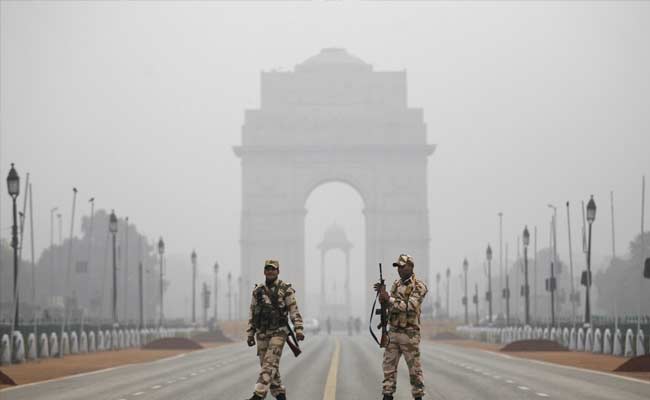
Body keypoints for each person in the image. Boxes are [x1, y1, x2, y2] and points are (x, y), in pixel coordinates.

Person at [245, 260, 304, 400]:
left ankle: (258, 395)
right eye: (268, 269)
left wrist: (299, 329)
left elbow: (294, 311)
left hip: (279, 332)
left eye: (273, 269)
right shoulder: (257, 291)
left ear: (278, 271)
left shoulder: (286, 289)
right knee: (270, 368)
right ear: (264, 271)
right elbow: (252, 313)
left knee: (269, 363)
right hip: (262, 333)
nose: (270, 271)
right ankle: (280, 395)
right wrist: (250, 334)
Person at [374, 254, 428, 400]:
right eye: (398, 267)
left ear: (411, 266)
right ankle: (387, 395)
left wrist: (389, 299)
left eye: (402, 266)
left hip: (409, 334)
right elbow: (390, 307)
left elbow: (410, 306)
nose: (399, 269)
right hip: (393, 332)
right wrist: (382, 296)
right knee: (388, 370)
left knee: (415, 371)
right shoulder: (396, 285)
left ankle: (418, 397)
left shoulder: (419, 286)